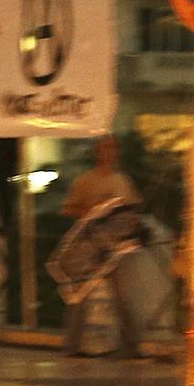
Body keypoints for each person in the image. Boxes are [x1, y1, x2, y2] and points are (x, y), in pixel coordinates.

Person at [60, 136, 144, 359]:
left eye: (112, 148)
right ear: (97, 152)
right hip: (91, 247)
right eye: (105, 148)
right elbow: (70, 208)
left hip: (116, 248)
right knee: (81, 296)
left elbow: (133, 209)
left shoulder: (122, 181)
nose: (109, 153)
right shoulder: (85, 181)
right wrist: (91, 214)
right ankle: (73, 345)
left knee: (123, 297)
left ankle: (131, 346)